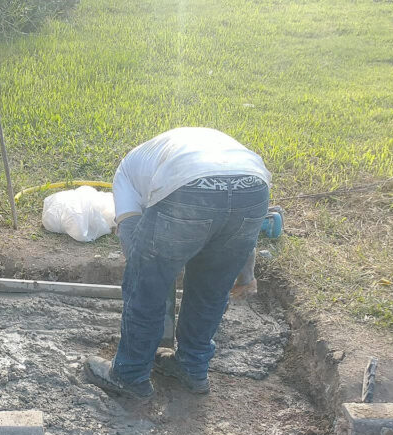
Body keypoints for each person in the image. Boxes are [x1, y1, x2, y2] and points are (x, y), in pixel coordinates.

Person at [85, 127, 271, 400]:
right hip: (254, 187)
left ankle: (130, 375)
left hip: (189, 187)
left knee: (146, 285)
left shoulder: (126, 173)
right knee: (211, 289)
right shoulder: (193, 147)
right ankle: (192, 367)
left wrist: (149, 271)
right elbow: (239, 223)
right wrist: (246, 275)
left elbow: (131, 239)